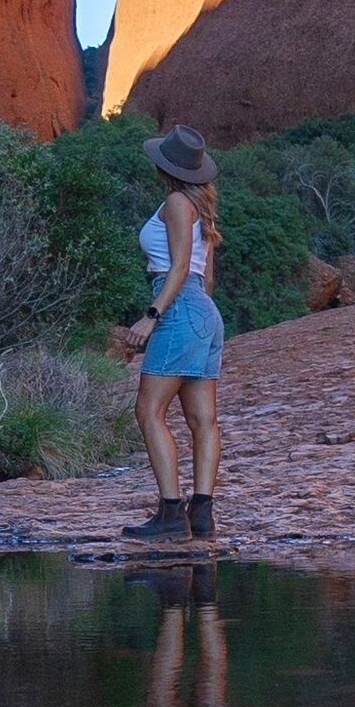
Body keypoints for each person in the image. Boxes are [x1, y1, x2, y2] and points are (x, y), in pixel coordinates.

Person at [125, 125, 224, 546]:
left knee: (148, 411)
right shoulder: (203, 210)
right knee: (204, 420)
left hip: (178, 306)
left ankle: (170, 513)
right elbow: (206, 278)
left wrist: (152, 315)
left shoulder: (176, 202)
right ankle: (201, 516)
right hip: (204, 310)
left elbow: (179, 267)